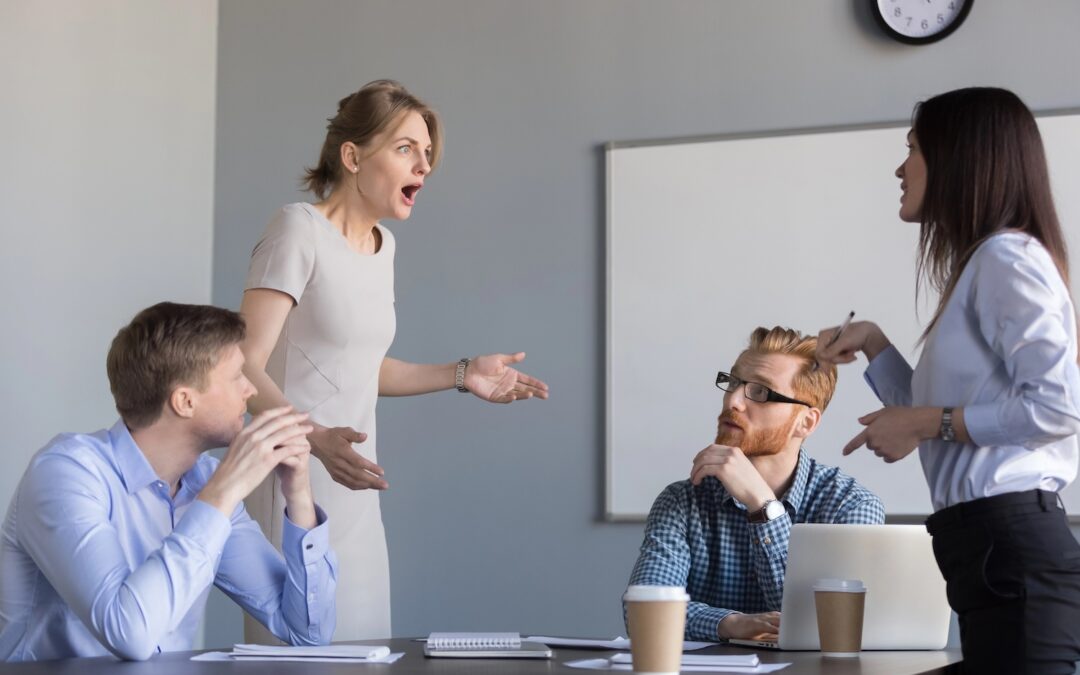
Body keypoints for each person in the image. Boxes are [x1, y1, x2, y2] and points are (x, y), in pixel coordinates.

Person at [239, 79, 549, 641]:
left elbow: (359, 367)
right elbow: (241, 364)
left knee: (365, 651)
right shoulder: (296, 230)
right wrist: (312, 437)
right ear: (352, 156)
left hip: (355, 493)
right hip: (293, 484)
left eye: (428, 154)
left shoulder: (384, 248)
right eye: (406, 148)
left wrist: (462, 375)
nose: (424, 165)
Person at [815, 87, 1080, 674]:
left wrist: (927, 421)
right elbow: (935, 415)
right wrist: (875, 345)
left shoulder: (1006, 259)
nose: (899, 167)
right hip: (982, 549)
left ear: (960, 158)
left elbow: (1061, 407)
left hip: (1010, 546)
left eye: (912, 149)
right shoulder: (983, 265)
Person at [0, 303, 336, 662]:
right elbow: (129, 633)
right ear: (185, 401)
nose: (251, 390)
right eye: (238, 375)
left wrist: (297, 493)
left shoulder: (205, 484)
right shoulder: (66, 474)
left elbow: (307, 631)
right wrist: (222, 494)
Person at [626, 326, 884, 642]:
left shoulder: (850, 506)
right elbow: (645, 612)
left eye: (760, 392)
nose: (733, 401)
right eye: (733, 383)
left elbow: (829, 628)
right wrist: (730, 624)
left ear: (806, 422)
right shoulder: (682, 500)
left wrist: (763, 506)